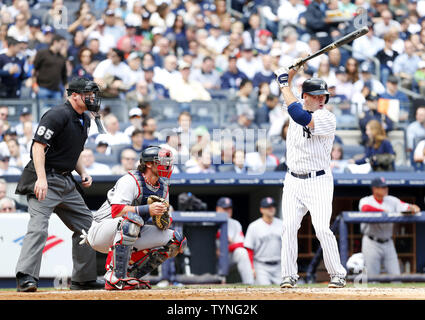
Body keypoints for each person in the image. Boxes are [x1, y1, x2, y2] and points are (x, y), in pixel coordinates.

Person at [14, 77, 104, 292]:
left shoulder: (85, 119)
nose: (92, 98)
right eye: (87, 95)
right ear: (74, 95)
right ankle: (26, 277)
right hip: (45, 178)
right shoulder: (57, 114)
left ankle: (83, 279)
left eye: (93, 94)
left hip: (66, 181)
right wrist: (41, 178)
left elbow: (74, 151)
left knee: (88, 226)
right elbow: (38, 147)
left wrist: (82, 171)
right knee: (38, 228)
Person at [274, 61, 347, 288]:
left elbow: (299, 116)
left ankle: (337, 273)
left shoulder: (326, 117)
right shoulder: (296, 102)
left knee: (322, 229)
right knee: (288, 227)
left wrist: (284, 81)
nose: (321, 99)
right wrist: (294, 69)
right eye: (316, 96)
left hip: (319, 181)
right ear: (305, 95)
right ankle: (288, 275)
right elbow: (287, 92)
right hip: (293, 180)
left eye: (323, 95)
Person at [80, 146, 187, 290]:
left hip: (131, 232)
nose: (167, 165)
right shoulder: (130, 180)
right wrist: (148, 209)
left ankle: (130, 276)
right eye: (162, 161)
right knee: (132, 220)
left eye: (168, 162)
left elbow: (164, 223)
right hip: (101, 231)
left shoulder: (163, 186)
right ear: (149, 164)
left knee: (176, 240)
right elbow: (117, 211)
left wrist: (164, 219)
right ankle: (114, 277)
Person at [359, 177, 420, 277]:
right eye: (382, 187)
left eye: (386, 187)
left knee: (396, 276)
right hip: (371, 242)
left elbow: (405, 206)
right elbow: (365, 208)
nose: (385, 189)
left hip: (388, 242)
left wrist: (412, 207)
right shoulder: (366, 200)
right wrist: (385, 213)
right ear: (374, 189)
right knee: (372, 278)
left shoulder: (392, 200)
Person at [244, 197, 283, 285]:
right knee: (264, 291)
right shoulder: (254, 226)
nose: (271, 209)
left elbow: (288, 248)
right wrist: (251, 268)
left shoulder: (282, 224)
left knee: (287, 290)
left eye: (273, 206)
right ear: (261, 209)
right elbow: (249, 249)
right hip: (261, 266)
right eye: (268, 207)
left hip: (279, 265)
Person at [215, 197, 254, 284]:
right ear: (218, 209)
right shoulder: (209, 222)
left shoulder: (235, 223)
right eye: (225, 208)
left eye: (229, 208)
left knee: (241, 252)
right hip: (212, 259)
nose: (228, 211)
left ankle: (249, 283)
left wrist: (224, 248)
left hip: (227, 257)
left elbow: (241, 244)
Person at [32, 34, 68, 100]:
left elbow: (64, 76)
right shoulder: (42, 53)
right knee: (42, 110)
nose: (63, 47)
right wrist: (34, 84)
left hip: (56, 91)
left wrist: (66, 90)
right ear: (55, 42)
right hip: (42, 88)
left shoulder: (62, 58)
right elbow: (34, 70)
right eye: (61, 44)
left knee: (56, 110)